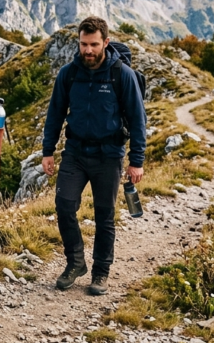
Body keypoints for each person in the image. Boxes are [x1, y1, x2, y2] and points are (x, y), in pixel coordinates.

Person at [41, 16, 146, 296]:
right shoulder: (69, 73)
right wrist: (47, 151)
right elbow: (55, 113)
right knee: (64, 206)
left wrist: (137, 161)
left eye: (94, 44)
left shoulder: (120, 74)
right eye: (83, 44)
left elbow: (138, 119)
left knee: (104, 216)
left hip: (109, 155)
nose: (88, 50)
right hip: (75, 152)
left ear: (105, 43)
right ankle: (75, 263)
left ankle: (101, 272)